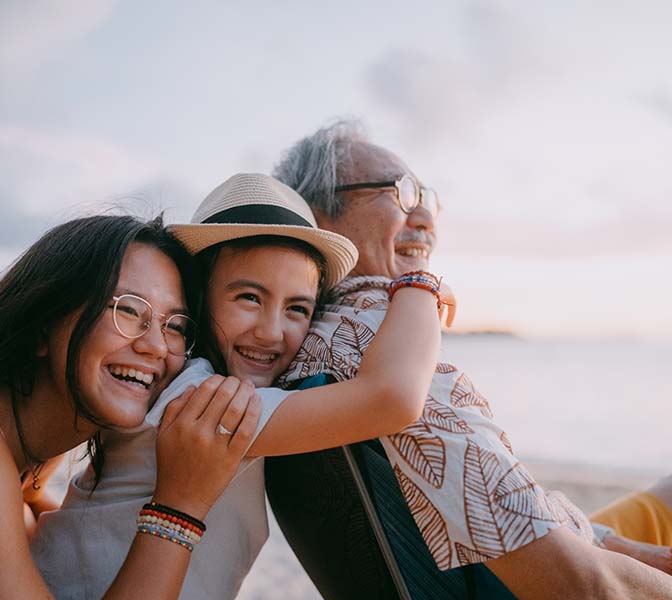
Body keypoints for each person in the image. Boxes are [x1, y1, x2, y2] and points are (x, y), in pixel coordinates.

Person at [266, 119, 672, 599]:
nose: (426, 219)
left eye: (427, 197)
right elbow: (582, 585)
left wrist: (625, 549)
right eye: (401, 192)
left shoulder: (311, 338)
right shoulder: (383, 349)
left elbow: (513, 511)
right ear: (318, 216)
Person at [30, 172, 444, 599]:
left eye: (297, 308)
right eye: (249, 298)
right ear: (197, 296)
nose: (271, 332)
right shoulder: (205, 401)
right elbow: (392, 398)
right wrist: (419, 286)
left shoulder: (172, 381)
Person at [0, 215, 262, 599]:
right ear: (42, 323)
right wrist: (179, 508)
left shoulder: (37, 455)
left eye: (175, 326)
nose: (157, 346)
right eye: (128, 310)